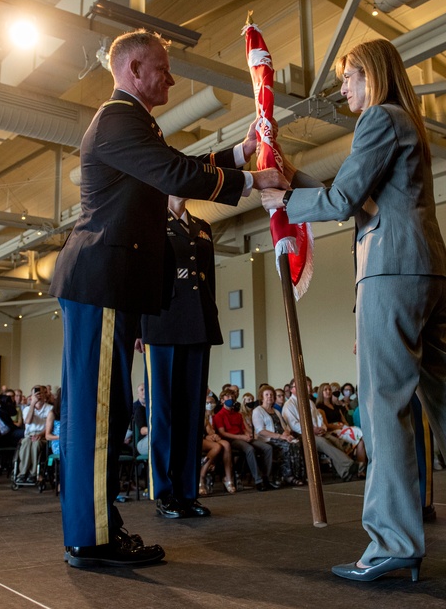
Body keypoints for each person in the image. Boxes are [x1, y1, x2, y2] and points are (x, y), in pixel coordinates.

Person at [262, 38, 446, 583]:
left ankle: (393, 542)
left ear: (374, 74)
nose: (343, 89)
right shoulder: (406, 123)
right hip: (426, 270)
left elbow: (343, 204)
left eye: (349, 78)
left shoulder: (379, 119)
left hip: (390, 272)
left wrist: (283, 202)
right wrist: (292, 178)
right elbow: (361, 197)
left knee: (383, 404)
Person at [49, 29, 288, 569]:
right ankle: (90, 538)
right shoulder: (117, 119)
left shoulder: (131, 120)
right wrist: (251, 179)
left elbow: (172, 167)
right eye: (163, 68)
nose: (172, 79)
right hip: (101, 279)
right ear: (134, 69)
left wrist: (235, 152)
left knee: (106, 413)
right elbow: (173, 172)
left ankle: (99, 529)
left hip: (109, 282)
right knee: (98, 415)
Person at [139, 194, 223, 519]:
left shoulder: (202, 227)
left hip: (198, 323)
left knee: (191, 414)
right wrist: (137, 328)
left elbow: (209, 280)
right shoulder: (150, 222)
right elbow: (142, 275)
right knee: (163, 413)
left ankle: (187, 493)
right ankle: (164, 493)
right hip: (161, 323)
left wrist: (211, 317)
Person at [283, 379, 357, 482]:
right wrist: (312, 430)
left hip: (317, 432)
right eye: (299, 386)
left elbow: (319, 418)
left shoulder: (309, 402)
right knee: (323, 442)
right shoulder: (289, 405)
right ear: (292, 389)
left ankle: (344, 472)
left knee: (336, 441)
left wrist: (322, 428)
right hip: (302, 435)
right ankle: (348, 464)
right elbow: (294, 425)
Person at [213, 388, 276, 491]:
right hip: (231, 439)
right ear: (222, 400)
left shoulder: (238, 415)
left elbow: (244, 428)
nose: (231, 399)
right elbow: (223, 433)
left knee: (267, 448)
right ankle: (258, 480)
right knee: (250, 449)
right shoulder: (218, 416)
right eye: (228, 397)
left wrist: (248, 435)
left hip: (243, 437)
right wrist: (241, 437)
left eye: (232, 397)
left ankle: (266, 478)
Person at [252, 385, 304, 486]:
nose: (269, 397)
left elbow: (284, 426)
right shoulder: (258, 411)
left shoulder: (276, 411)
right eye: (266, 395)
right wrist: (280, 436)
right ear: (262, 397)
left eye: (271, 395)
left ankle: (298, 475)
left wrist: (286, 433)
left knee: (297, 443)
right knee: (287, 446)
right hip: (268, 439)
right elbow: (260, 431)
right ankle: (288, 476)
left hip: (281, 437)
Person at [15, 386, 52, 484]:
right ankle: (22, 473)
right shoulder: (27, 409)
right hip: (29, 434)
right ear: (31, 396)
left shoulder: (49, 408)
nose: (38, 395)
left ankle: (33, 473)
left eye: (40, 393)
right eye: (36, 393)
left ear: (44, 394)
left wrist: (41, 434)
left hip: (43, 434)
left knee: (36, 445)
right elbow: (28, 421)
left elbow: (49, 426)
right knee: (26, 443)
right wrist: (32, 405)